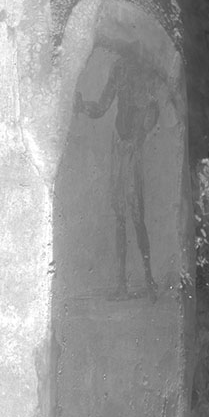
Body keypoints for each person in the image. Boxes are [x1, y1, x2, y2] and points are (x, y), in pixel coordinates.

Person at [75, 47, 160, 302]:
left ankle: (148, 280)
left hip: (132, 146)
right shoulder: (121, 68)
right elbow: (102, 106)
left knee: (136, 215)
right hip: (120, 144)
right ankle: (123, 283)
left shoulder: (147, 72)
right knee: (121, 215)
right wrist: (83, 107)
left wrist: (140, 137)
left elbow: (153, 112)